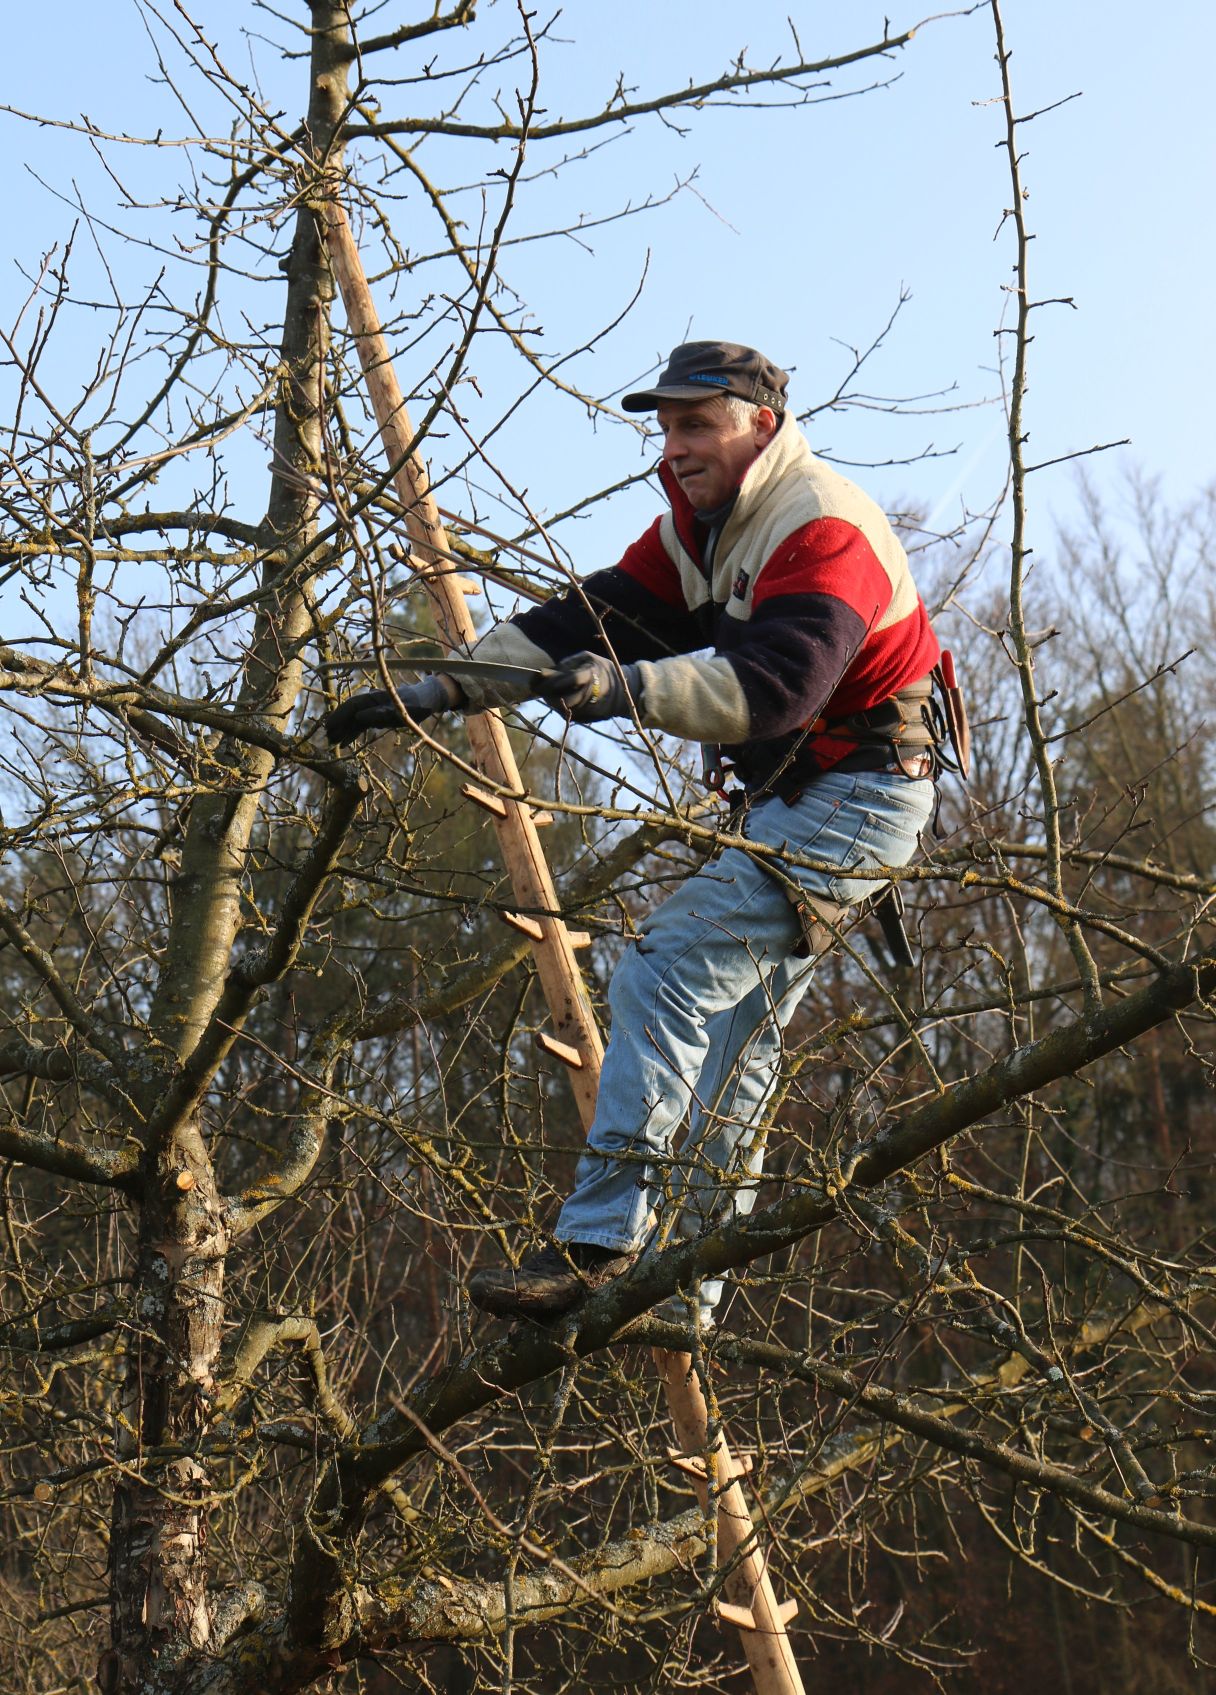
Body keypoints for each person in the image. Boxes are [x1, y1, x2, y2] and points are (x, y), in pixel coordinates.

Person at [325, 341, 941, 1327]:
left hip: (862, 798)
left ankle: (597, 1248)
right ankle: (685, 1298)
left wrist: (629, 690)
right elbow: (593, 620)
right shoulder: (702, 532)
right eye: (666, 426)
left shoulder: (820, 527)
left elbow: (776, 689)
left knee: (662, 968)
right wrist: (444, 688)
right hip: (799, 802)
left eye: (697, 424)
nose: (676, 444)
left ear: (761, 425)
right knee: (737, 1047)